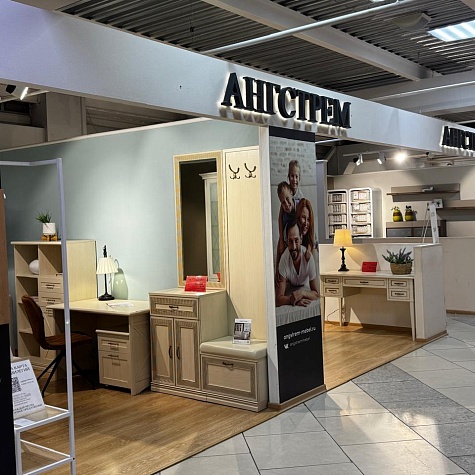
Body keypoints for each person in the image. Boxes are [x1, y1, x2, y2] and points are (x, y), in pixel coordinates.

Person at [276, 220, 319, 307]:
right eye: (290, 241)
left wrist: (302, 293)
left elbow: (316, 294)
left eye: (296, 240)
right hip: (290, 282)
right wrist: (293, 299)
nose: (294, 247)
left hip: (304, 282)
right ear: (286, 241)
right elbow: (278, 299)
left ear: (301, 239)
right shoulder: (284, 258)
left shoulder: (308, 258)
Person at [275, 181, 296, 277]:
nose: (286, 204)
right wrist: (281, 242)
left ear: (291, 193)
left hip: (296, 236)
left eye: (287, 199)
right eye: (283, 203)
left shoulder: (298, 205)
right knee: (279, 246)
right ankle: (277, 274)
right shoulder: (283, 211)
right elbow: (280, 221)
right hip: (286, 237)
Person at [296, 198, 317, 262]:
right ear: (298, 217)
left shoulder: (312, 237)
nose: (306, 223)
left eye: (308, 219)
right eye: (303, 218)